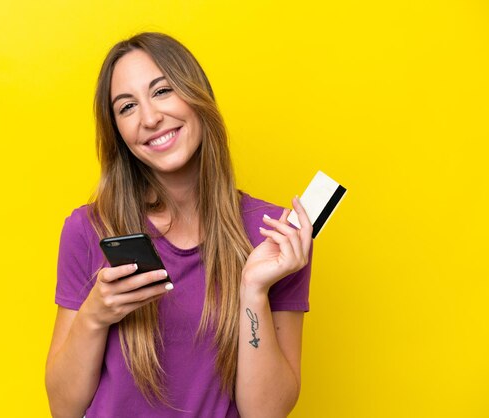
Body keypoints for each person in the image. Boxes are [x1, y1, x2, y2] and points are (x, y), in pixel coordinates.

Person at [45, 32, 313, 418]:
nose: (150, 118)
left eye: (162, 91)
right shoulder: (87, 230)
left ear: (196, 95)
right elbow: (62, 408)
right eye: (126, 107)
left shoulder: (273, 235)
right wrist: (95, 315)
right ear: (117, 132)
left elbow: (266, 413)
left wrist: (253, 290)